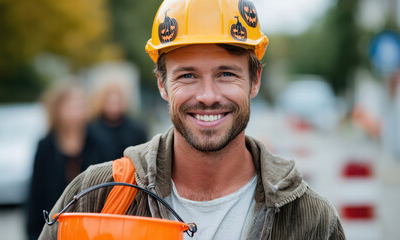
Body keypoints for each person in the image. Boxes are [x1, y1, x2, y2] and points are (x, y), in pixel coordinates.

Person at [39, 0, 345, 239]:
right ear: (162, 84)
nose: (208, 95)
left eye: (226, 74)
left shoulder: (311, 219)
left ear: (254, 81)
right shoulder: (99, 194)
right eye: (187, 75)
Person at [26, 81, 104, 240]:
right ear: (57, 108)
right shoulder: (45, 146)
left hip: (92, 230)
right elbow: (35, 195)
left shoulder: (99, 142)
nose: (78, 110)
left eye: (81, 104)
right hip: (54, 229)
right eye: (72, 105)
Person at [88, 79, 147, 161]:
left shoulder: (136, 130)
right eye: (110, 102)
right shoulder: (92, 130)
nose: (114, 107)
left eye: (117, 102)